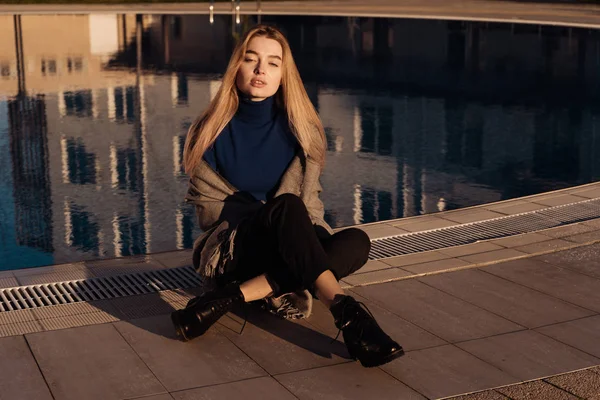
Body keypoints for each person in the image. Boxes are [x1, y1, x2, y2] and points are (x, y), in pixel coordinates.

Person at [171, 24, 404, 368]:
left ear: (284, 74)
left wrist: (303, 238)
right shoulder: (209, 131)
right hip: (236, 249)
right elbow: (210, 214)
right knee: (287, 208)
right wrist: (275, 219)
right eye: (251, 59)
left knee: (356, 240)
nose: (261, 70)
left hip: (286, 242)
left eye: (273, 62)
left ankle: (229, 298)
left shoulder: (300, 131)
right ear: (236, 66)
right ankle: (349, 315)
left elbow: (310, 207)